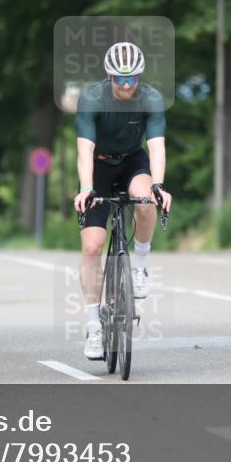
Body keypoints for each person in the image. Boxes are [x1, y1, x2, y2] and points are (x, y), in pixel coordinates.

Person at [73, 42, 172, 360]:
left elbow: (156, 145)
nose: (127, 86)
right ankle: (93, 326)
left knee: (145, 202)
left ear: (140, 77)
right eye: (120, 79)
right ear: (109, 76)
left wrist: (158, 185)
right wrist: (87, 187)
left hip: (132, 161)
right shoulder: (92, 98)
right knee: (92, 247)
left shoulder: (151, 98)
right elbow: (84, 150)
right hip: (98, 166)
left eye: (133, 79)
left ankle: (140, 264)